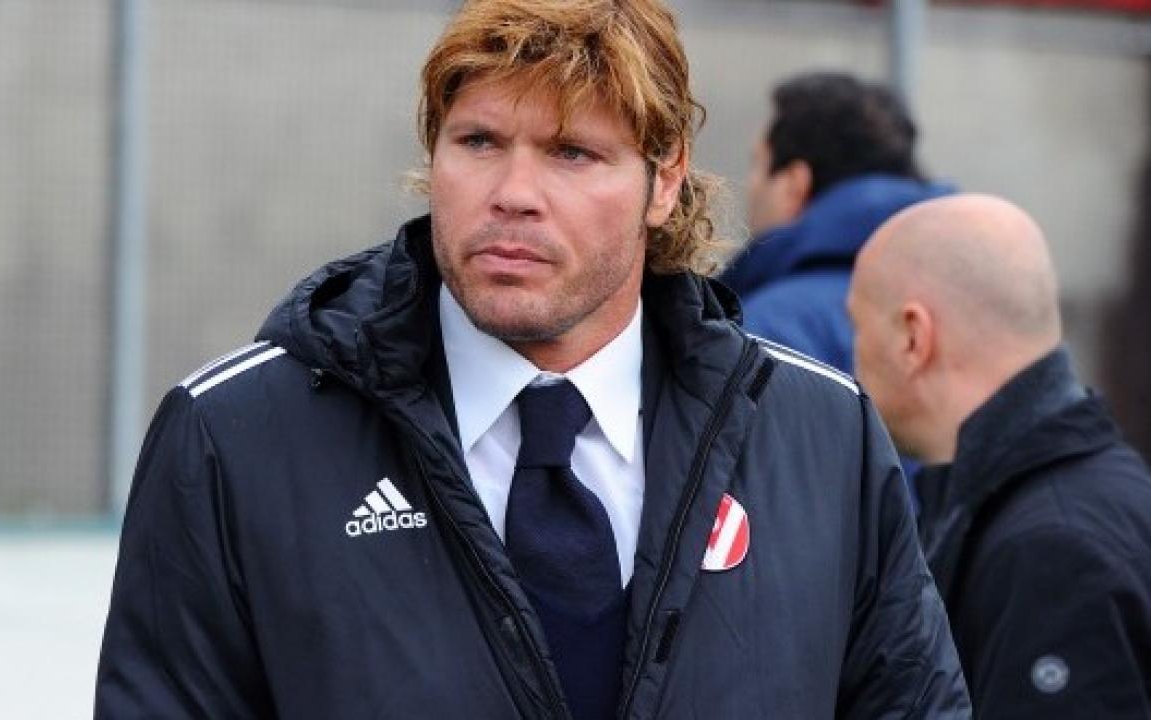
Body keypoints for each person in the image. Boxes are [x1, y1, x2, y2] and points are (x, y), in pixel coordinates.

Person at [95, 2, 970, 717]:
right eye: (478, 142)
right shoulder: (234, 439)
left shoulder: (822, 433)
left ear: (665, 182)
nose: (513, 194)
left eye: (571, 152)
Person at [848, 193, 1151, 717]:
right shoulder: (1096, 492)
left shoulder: (1051, 553)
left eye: (857, 327)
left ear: (913, 337)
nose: (853, 355)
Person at [718, 71, 952, 374]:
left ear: (795, 184)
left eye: (757, 165)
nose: (750, 187)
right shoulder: (968, 299)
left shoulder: (766, 330)